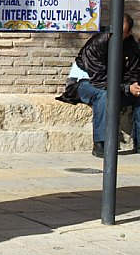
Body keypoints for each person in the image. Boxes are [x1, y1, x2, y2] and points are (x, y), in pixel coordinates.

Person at [56, 13, 140, 158]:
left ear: (128, 33)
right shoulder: (97, 43)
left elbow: (132, 71)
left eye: (122, 33)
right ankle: (100, 143)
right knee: (103, 94)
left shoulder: (131, 46)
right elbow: (99, 81)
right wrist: (127, 88)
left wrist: (134, 85)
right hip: (83, 83)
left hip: (115, 84)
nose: (116, 35)